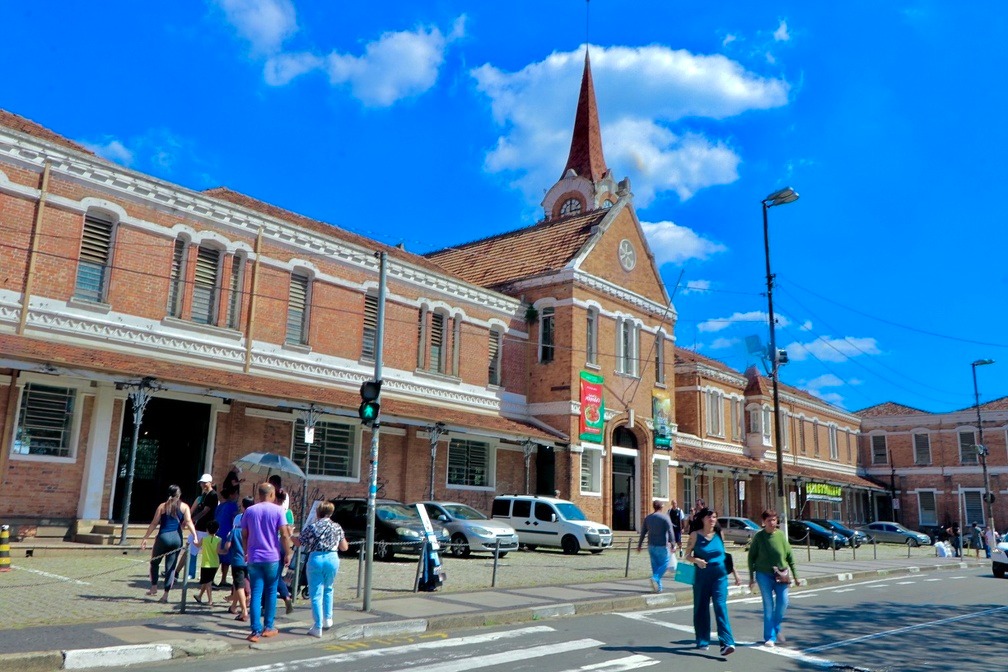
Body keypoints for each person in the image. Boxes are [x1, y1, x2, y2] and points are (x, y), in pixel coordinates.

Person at [241, 482, 293, 642]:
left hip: (254, 556)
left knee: (256, 593)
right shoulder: (278, 510)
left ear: (259, 494)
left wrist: (246, 551)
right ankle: (268, 627)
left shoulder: (250, 511)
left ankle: (255, 630)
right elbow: (284, 534)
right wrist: (288, 553)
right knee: (271, 591)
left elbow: (244, 534)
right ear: (271, 494)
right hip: (272, 557)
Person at [684, 507, 736, 656]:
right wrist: (697, 560)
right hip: (701, 577)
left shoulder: (719, 534)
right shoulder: (695, 535)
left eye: (714, 517)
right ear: (702, 519)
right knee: (701, 607)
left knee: (720, 607)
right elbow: (687, 555)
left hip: (720, 577)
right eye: (709, 517)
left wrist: (736, 574)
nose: (712, 520)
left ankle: (727, 643)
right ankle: (702, 640)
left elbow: (725, 556)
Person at [747, 509, 801, 647]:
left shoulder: (781, 536)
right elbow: (751, 557)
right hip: (763, 574)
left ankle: (776, 626)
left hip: (781, 574)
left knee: (783, 601)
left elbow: (789, 556)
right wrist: (751, 577)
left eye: (774, 520)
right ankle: (769, 637)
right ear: (763, 522)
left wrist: (796, 576)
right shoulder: (759, 537)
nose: (772, 523)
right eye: (769, 520)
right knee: (768, 605)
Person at [297, 501, 349, 637]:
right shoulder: (337, 527)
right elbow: (344, 547)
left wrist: (290, 536)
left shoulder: (313, 527)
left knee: (316, 593)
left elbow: (299, 542)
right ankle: (328, 619)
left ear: (318, 512)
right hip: (332, 558)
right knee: (329, 588)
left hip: (316, 558)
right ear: (331, 513)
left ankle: (317, 626)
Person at [140, 484, 198, 603]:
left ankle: (154, 587)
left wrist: (145, 537)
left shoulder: (162, 506)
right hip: (177, 539)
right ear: (179, 495)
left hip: (163, 537)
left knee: (154, 562)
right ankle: (165, 595)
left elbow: (154, 523)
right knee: (170, 568)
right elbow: (188, 522)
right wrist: (195, 536)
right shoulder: (185, 507)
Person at [222, 495, 253, 622]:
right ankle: (234, 606)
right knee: (238, 583)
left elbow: (227, 545)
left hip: (237, 559)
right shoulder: (253, 528)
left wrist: (223, 549)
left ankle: (244, 610)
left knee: (239, 585)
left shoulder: (235, 530)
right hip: (250, 559)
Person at [637, 500, 675, 593]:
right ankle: (655, 578)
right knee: (665, 564)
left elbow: (643, 532)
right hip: (662, 545)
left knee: (655, 566)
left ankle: (658, 588)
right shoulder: (665, 518)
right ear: (661, 507)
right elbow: (670, 531)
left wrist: (639, 545)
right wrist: (673, 544)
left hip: (651, 545)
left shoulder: (648, 518)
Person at [189, 474, 219, 579]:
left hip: (206, 527)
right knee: (192, 549)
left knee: (207, 552)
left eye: (205, 483)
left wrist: (193, 519)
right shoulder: (204, 495)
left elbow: (205, 511)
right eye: (202, 483)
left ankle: (206, 576)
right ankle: (191, 572)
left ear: (210, 483)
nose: (203, 485)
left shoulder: (213, 495)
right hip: (199, 526)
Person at [214, 486, 240, 588]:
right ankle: (222, 579)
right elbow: (234, 520)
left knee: (218, 558)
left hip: (218, 533)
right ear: (232, 495)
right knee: (225, 558)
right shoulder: (233, 506)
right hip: (227, 534)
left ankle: (216, 579)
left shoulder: (220, 506)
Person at [195, 519, 222, 606]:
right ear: (217, 530)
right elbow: (218, 551)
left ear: (207, 530)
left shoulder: (204, 539)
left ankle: (210, 600)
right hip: (215, 563)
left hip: (206, 564)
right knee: (206, 581)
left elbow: (198, 545)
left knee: (208, 582)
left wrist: (195, 541)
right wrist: (225, 551)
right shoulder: (219, 540)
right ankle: (199, 596)